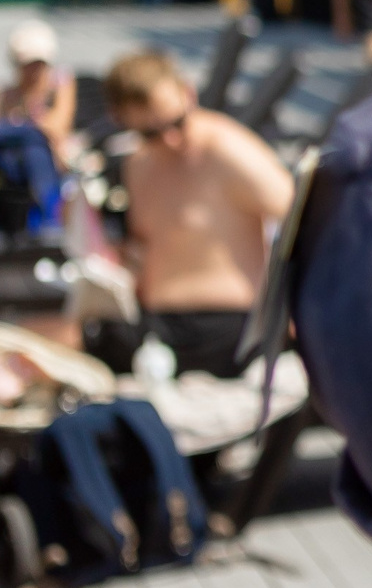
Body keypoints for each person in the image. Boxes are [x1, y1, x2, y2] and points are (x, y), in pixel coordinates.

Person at [96, 47, 295, 379]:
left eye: (177, 122)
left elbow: (305, 217)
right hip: (155, 328)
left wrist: (295, 311)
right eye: (151, 133)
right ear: (121, 120)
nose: (172, 139)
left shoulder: (228, 151)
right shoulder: (137, 165)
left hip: (231, 328)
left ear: (188, 93)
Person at [0, 18, 81, 162]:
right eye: (27, 64)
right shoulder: (6, 96)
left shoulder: (61, 83)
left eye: (38, 63)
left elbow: (59, 128)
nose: (33, 70)